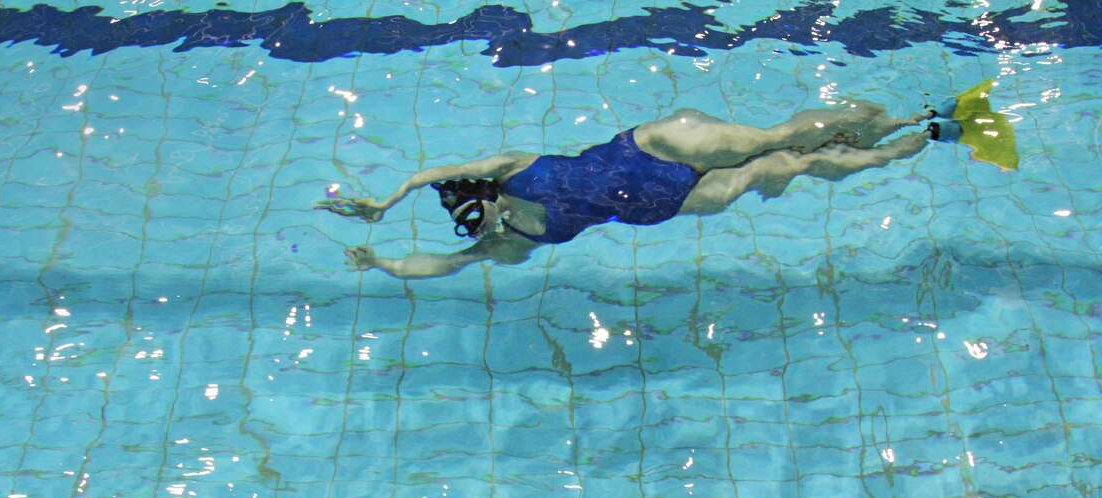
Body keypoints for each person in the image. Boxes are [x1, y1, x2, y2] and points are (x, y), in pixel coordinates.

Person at [316, 84, 1015, 279]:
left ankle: (903, 112)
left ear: (486, 192)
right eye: (476, 228)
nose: (484, 228)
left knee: (781, 137)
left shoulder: (512, 169)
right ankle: (934, 131)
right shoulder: (514, 243)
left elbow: (433, 171)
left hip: (654, 145)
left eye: (478, 215)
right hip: (670, 202)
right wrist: (380, 264)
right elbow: (440, 265)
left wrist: (387, 201)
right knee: (799, 168)